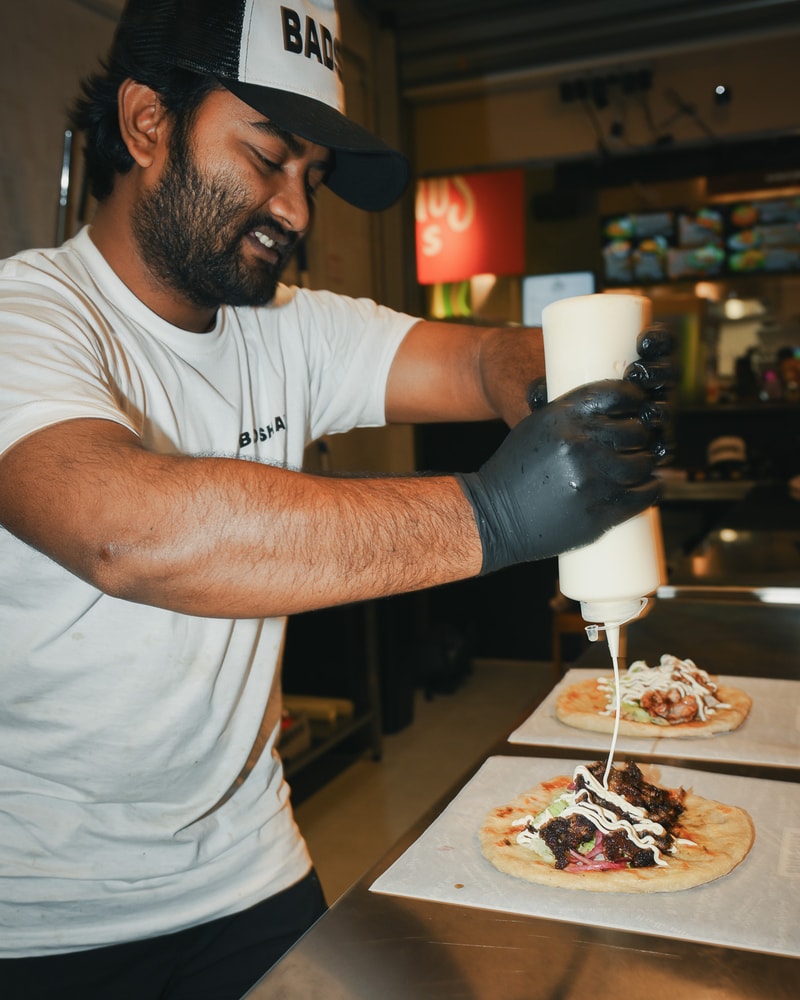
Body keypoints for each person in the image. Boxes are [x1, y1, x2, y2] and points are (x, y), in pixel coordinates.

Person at [0, 1, 672, 996]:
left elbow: (482, 358)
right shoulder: (28, 320)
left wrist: (578, 373)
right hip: (43, 915)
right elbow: (126, 535)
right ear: (146, 124)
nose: (297, 212)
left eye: (310, 176)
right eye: (268, 156)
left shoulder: (284, 327)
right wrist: (490, 515)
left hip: (247, 868)